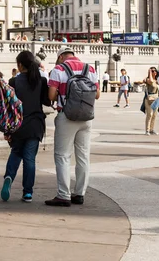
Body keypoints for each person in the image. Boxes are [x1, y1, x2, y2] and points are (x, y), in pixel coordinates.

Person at [45, 47, 100, 207]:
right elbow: (97, 94)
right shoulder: (89, 68)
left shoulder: (59, 69)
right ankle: (80, 193)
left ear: (61, 57)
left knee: (62, 155)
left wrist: (62, 94)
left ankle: (63, 194)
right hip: (86, 117)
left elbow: (51, 96)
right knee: (83, 156)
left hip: (66, 116)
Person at [1, 51, 50, 203]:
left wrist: (7, 129)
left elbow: (9, 106)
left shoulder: (14, 81)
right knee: (29, 159)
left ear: (20, 65)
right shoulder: (40, 80)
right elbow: (47, 102)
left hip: (18, 124)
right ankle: (27, 192)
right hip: (35, 124)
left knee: (16, 152)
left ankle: (9, 177)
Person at [143, 67, 159, 135]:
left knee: (154, 115)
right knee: (149, 114)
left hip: (156, 98)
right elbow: (151, 81)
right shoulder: (148, 80)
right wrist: (149, 72)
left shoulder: (157, 80)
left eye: (155, 71)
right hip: (149, 99)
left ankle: (151, 129)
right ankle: (147, 130)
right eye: (152, 71)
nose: (154, 72)